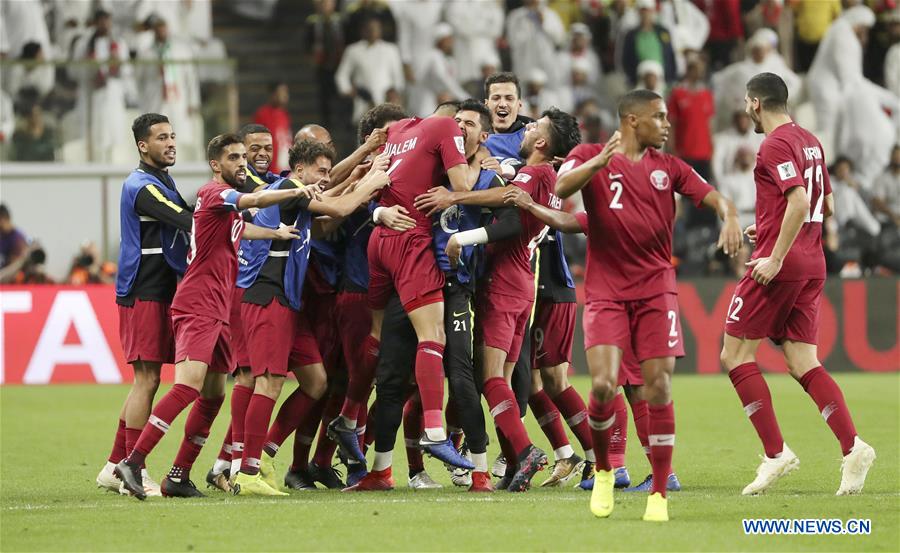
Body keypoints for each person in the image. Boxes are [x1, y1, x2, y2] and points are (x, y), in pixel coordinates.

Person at [555, 89, 743, 522]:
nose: (667, 124)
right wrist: (599, 163)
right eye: (659, 117)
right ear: (632, 121)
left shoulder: (669, 167)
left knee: (658, 387)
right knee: (602, 386)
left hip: (656, 289)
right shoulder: (589, 153)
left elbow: (713, 197)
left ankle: (658, 492)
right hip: (605, 290)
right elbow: (562, 187)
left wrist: (729, 215)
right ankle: (604, 469)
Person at [115, 133, 313, 500]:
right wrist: (293, 191)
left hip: (220, 308)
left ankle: (179, 474)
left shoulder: (227, 211)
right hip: (198, 304)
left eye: (243, 157)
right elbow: (254, 198)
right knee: (187, 386)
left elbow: (240, 229)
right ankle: (133, 460)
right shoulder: (214, 193)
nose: (241, 163)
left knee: (213, 394)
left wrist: (274, 232)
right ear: (215, 164)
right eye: (233, 158)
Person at [719, 72, 875, 498]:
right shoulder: (810, 140)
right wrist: (768, 229)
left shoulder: (773, 144)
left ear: (754, 103)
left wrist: (774, 254)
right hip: (813, 261)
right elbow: (825, 201)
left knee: (734, 354)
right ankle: (853, 447)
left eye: (746, 104)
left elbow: (801, 201)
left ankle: (775, 454)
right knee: (802, 360)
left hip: (783, 266)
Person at [416, 108, 583, 492]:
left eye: (534, 127)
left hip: (505, 283)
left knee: (489, 377)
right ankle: (514, 465)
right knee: (503, 380)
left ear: (541, 143)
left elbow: (510, 213)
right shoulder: (545, 175)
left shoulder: (533, 173)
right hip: (523, 281)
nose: (526, 130)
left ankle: (524, 451)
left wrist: (460, 225)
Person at [232, 139, 391, 496]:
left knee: (316, 382)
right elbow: (336, 210)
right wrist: (371, 181)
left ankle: (267, 455)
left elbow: (327, 217)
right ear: (299, 169)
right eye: (320, 170)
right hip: (268, 295)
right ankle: (246, 472)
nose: (324, 176)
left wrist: (356, 183)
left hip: (290, 302)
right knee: (268, 383)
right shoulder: (288, 186)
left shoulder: (296, 202)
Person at [337, 105, 475, 492]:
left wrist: (379, 212)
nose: (461, 129)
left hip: (379, 244)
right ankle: (434, 429)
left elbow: (377, 184)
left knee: (382, 344)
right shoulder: (445, 128)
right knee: (434, 338)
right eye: (459, 123)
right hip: (412, 242)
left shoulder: (398, 131)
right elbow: (462, 188)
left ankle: (350, 420)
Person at [95, 113, 193, 498]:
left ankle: (113, 466)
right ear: (142, 146)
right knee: (147, 379)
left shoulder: (162, 181)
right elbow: (184, 219)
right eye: (161, 137)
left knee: (149, 379)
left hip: (160, 288)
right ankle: (135, 468)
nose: (170, 142)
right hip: (143, 290)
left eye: (172, 136)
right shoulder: (140, 186)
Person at [205, 123, 283, 493]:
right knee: (249, 376)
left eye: (267, 147)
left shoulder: (269, 182)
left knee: (253, 378)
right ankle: (238, 464)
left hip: (259, 287)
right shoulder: (240, 188)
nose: (261, 154)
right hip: (243, 287)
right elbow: (271, 197)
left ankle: (225, 463)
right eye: (253, 149)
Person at [335, 17, 405, 123]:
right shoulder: (353, 50)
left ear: (380, 30)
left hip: (386, 101)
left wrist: (394, 93)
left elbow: (398, 78)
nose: (373, 32)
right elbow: (341, 75)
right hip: (362, 101)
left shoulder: (391, 49)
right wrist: (349, 90)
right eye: (370, 29)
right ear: (363, 31)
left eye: (376, 28)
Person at [253, 82, 292, 173]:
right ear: (273, 95)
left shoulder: (284, 114)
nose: (285, 96)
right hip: (271, 167)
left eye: (286, 93)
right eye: (281, 93)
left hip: (285, 163)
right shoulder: (262, 114)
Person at [0, 203, 29, 284]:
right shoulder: (2, 235)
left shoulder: (18, 238)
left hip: (10, 280)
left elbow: (15, 266)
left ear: (3, 219)